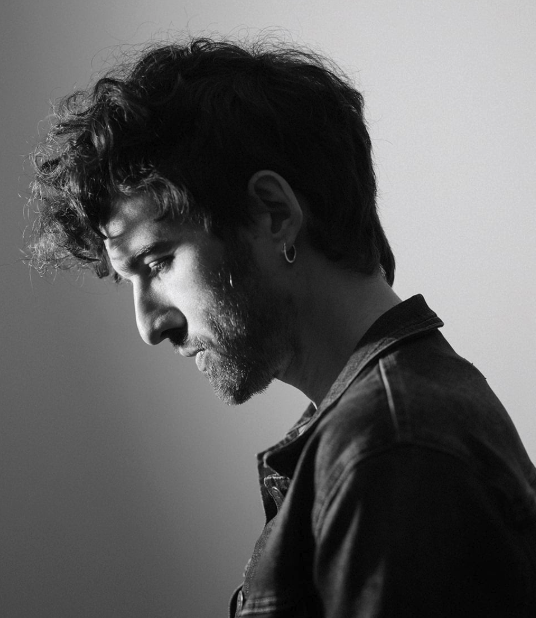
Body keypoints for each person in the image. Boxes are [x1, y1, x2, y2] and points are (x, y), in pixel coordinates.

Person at [28, 36, 536, 617]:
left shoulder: (391, 451)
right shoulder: (387, 430)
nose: (149, 325)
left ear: (273, 214)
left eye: (159, 262)